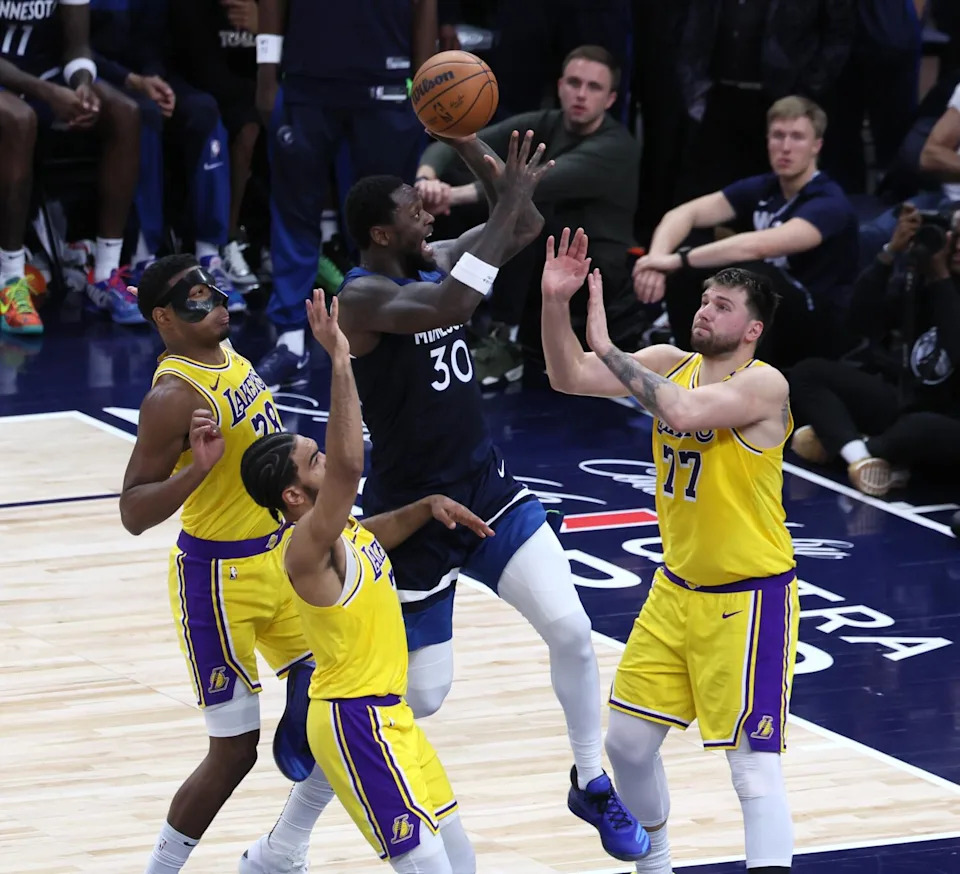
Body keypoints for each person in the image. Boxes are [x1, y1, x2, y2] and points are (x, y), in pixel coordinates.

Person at [335, 131, 651, 862]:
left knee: (572, 630)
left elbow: (527, 225)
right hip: (412, 510)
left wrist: (471, 147)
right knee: (419, 699)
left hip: (486, 487)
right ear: (382, 232)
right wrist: (503, 197)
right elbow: (452, 302)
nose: (430, 219)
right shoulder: (363, 297)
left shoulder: (438, 259)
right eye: (416, 212)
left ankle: (590, 780)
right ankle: (317, 747)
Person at [542, 232, 798, 874]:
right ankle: (656, 866)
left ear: (752, 330)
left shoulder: (764, 384)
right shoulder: (664, 359)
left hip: (749, 600)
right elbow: (567, 376)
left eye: (722, 306)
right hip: (676, 590)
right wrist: (554, 303)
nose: (705, 310)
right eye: (705, 299)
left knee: (753, 773)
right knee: (625, 746)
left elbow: (682, 414)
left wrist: (605, 344)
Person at [240, 289, 484, 873]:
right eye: (312, 460)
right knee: (428, 868)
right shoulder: (304, 547)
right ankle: (267, 859)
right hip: (355, 723)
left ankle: (264, 864)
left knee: (461, 862)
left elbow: (372, 531)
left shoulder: (339, 534)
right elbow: (351, 466)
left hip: (392, 717)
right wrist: (341, 357)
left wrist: (424, 507)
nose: (326, 456)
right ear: (294, 497)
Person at [119, 254, 334, 874]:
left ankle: (281, 850)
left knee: (336, 708)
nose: (217, 303)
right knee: (235, 750)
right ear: (165, 318)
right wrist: (197, 471)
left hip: (278, 560)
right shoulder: (171, 397)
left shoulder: (230, 354)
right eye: (195, 299)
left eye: (214, 291)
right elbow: (133, 512)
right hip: (218, 582)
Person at [416, 45, 643, 382]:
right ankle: (446, 312)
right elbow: (450, 140)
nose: (581, 94)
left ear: (610, 99)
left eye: (593, 87)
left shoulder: (616, 146)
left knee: (518, 215)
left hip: (595, 265)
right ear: (559, 85)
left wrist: (450, 195)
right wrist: (427, 179)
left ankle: (503, 339)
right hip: (551, 249)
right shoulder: (544, 122)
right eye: (574, 82)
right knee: (477, 182)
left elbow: (536, 185)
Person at [253, 0, 438, 390]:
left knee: (390, 218)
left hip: (386, 84)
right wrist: (266, 76)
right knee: (293, 208)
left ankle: (393, 334)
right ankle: (290, 340)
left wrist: (426, 87)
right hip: (306, 82)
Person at [634, 95, 858, 368]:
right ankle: (692, 365)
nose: (785, 147)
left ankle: (747, 385)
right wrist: (658, 261)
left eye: (797, 137)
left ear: (816, 146)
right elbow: (683, 214)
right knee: (701, 270)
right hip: (767, 312)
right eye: (778, 136)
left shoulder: (829, 201)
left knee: (752, 276)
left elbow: (759, 246)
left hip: (817, 325)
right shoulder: (764, 187)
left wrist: (677, 258)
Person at [789, 204, 960, 496]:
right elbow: (860, 322)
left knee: (920, 427)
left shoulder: (937, 277)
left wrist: (942, 281)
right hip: (907, 400)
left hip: (949, 421)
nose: (955, 246)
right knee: (808, 372)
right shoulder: (922, 275)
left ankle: (848, 447)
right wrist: (888, 255)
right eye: (954, 235)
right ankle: (864, 460)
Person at [0, 0, 142, 328]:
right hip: (22, 83)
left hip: (44, 77)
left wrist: (82, 85)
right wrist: (47, 93)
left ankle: (105, 273)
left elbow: (76, 45)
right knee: (20, 121)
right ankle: (10, 281)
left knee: (125, 113)